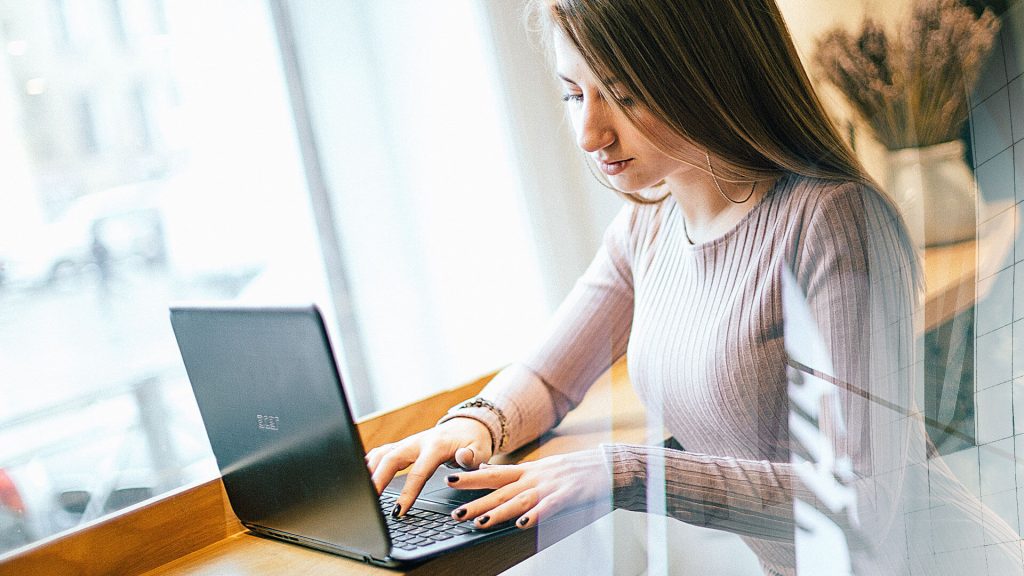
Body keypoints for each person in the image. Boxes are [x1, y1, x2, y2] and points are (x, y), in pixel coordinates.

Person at [368, 1, 934, 574]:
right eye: (573, 94)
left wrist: (624, 472)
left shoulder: (834, 221)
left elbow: (863, 500)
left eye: (625, 94)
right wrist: (473, 425)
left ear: (710, 73)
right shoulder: (650, 228)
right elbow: (547, 376)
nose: (590, 134)